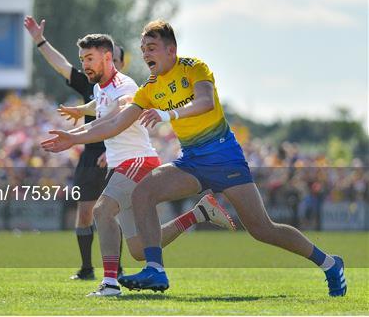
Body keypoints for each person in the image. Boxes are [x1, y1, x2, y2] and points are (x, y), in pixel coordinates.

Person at [41, 20, 347, 297]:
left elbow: (204, 101)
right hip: (191, 162)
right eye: (143, 49)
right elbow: (114, 123)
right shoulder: (149, 88)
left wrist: (168, 113)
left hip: (225, 160)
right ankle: (156, 270)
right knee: (144, 191)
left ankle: (330, 264)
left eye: (152, 48)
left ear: (171, 50)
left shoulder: (194, 67)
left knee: (262, 229)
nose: (146, 54)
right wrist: (75, 137)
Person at [45, 33, 236, 297]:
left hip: (137, 162)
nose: (84, 64)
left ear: (107, 57)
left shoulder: (125, 85)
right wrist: (82, 113)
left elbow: (114, 115)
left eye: (89, 58)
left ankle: (110, 283)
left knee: (101, 211)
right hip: (123, 165)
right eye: (82, 59)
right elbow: (101, 110)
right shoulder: (100, 88)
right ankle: (199, 214)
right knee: (138, 250)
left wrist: (74, 138)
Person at [24, 16, 126, 280]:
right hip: (91, 153)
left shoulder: (125, 88)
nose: (104, 62)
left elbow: (129, 122)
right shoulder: (91, 85)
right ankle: (86, 268)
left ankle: (117, 268)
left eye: (112, 58)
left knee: (113, 213)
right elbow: (62, 65)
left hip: (117, 153)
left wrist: (112, 149)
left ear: (117, 62)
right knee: (85, 213)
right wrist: (39, 40)